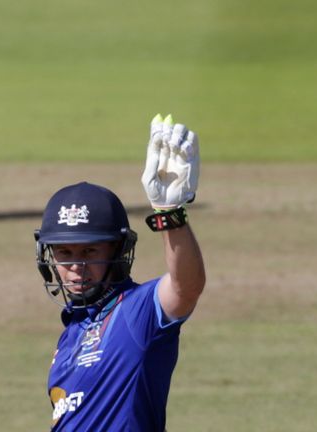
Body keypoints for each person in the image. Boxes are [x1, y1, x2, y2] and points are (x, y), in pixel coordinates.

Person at [34, 114, 205, 431]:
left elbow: (185, 287)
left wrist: (170, 216)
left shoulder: (135, 311)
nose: (75, 266)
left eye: (89, 251)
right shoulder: (72, 331)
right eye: (64, 253)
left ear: (116, 251)